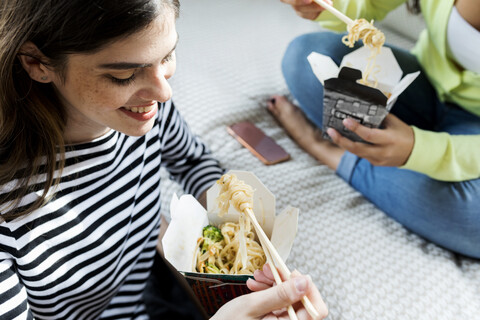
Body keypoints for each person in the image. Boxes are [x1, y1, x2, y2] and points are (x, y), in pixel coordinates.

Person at [0, 0, 329, 319]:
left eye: (168, 55)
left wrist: (239, 232)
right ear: (36, 63)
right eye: (124, 75)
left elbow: (191, 163)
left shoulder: (146, 111)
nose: (163, 93)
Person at [273, 0, 480, 258]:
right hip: (426, 82)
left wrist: (421, 149)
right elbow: (367, 4)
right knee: (305, 57)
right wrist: (327, 5)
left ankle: (330, 151)